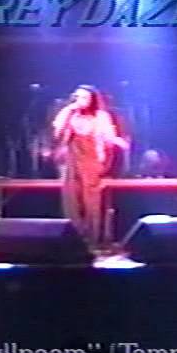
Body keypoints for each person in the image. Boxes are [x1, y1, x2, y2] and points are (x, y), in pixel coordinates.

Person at [52, 85, 129, 248]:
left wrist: (120, 143)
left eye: (84, 97)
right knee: (72, 199)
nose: (80, 100)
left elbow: (108, 137)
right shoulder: (69, 114)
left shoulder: (101, 116)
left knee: (91, 201)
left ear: (92, 100)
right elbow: (57, 134)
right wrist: (68, 111)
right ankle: (73, 240)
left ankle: (92, 240)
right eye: (77, 97)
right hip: (72, 161)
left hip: (92, 161)